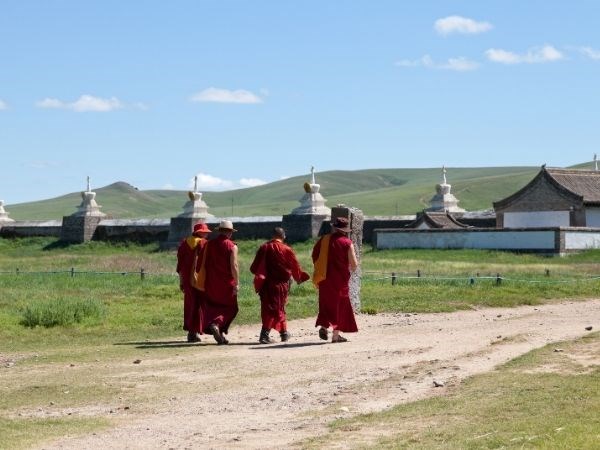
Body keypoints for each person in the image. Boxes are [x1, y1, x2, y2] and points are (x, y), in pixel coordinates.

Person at [250, 227, 310, 344]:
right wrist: (299, 278)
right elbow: (295, 266)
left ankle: (283, 333)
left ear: (272, 236)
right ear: (283, 236)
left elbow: (254, 268)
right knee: (277, 309)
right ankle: (264, 335)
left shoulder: (264, 248)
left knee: (270, 308)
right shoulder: (286, 249)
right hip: (281, 285)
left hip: (265, 285)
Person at [311, 216, 359, 343]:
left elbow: (314, 255)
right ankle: (336, 335)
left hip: (324, 278)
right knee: (340, 306)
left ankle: (323, 326)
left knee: (326, 303)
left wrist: (320, 268)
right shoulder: (347, 243)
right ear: (345, 230)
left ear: (335, 227)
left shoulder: (324, 240)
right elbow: (354, 264)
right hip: (340, 280)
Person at [195, 220, 239, 345]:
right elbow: (234, 265)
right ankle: (217, 324)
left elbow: (201, 263)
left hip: (211, 282)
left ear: (219, 231)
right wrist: (237, 282)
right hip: (226, 283)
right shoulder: (232, 246)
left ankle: (218, 331)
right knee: (231, 307)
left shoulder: (209, 244)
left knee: (212, 305)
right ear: (230, 233)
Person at [176, 222, 211, 342]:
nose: (207, 234)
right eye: (205, 232)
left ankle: (192, 332)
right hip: (200, 280)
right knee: (200, 305)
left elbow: (180, 265)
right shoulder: (203, 243)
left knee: (190, 304)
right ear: (199, 232)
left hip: (187, 280)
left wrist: (181, 281)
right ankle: (195, 331)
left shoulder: (184, 244)